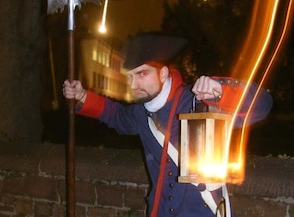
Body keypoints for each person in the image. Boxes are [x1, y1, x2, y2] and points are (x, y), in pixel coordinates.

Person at [62, 33, 273, 217]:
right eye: (130, 77)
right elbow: (116, 115)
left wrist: (221, 91)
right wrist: (82, 96)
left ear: (163, 73)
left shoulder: (198, 99)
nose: (133, 85)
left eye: (142, 74)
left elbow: (262, 105)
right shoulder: (140, 111)